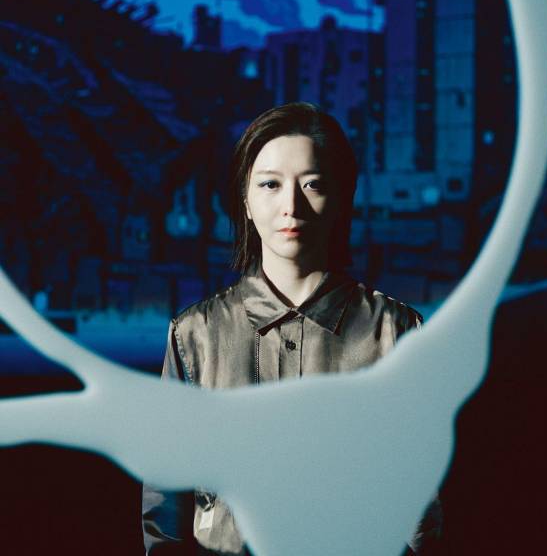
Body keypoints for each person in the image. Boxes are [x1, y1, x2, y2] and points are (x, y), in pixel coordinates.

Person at [142, 102, 442, 555]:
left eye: (313, 184)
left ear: (341, 198)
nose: (291, 206)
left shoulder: (395, 332)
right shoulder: (195, 334)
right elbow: (166, 512)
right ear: (245, 201)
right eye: (270, 184)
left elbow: (419, 508)